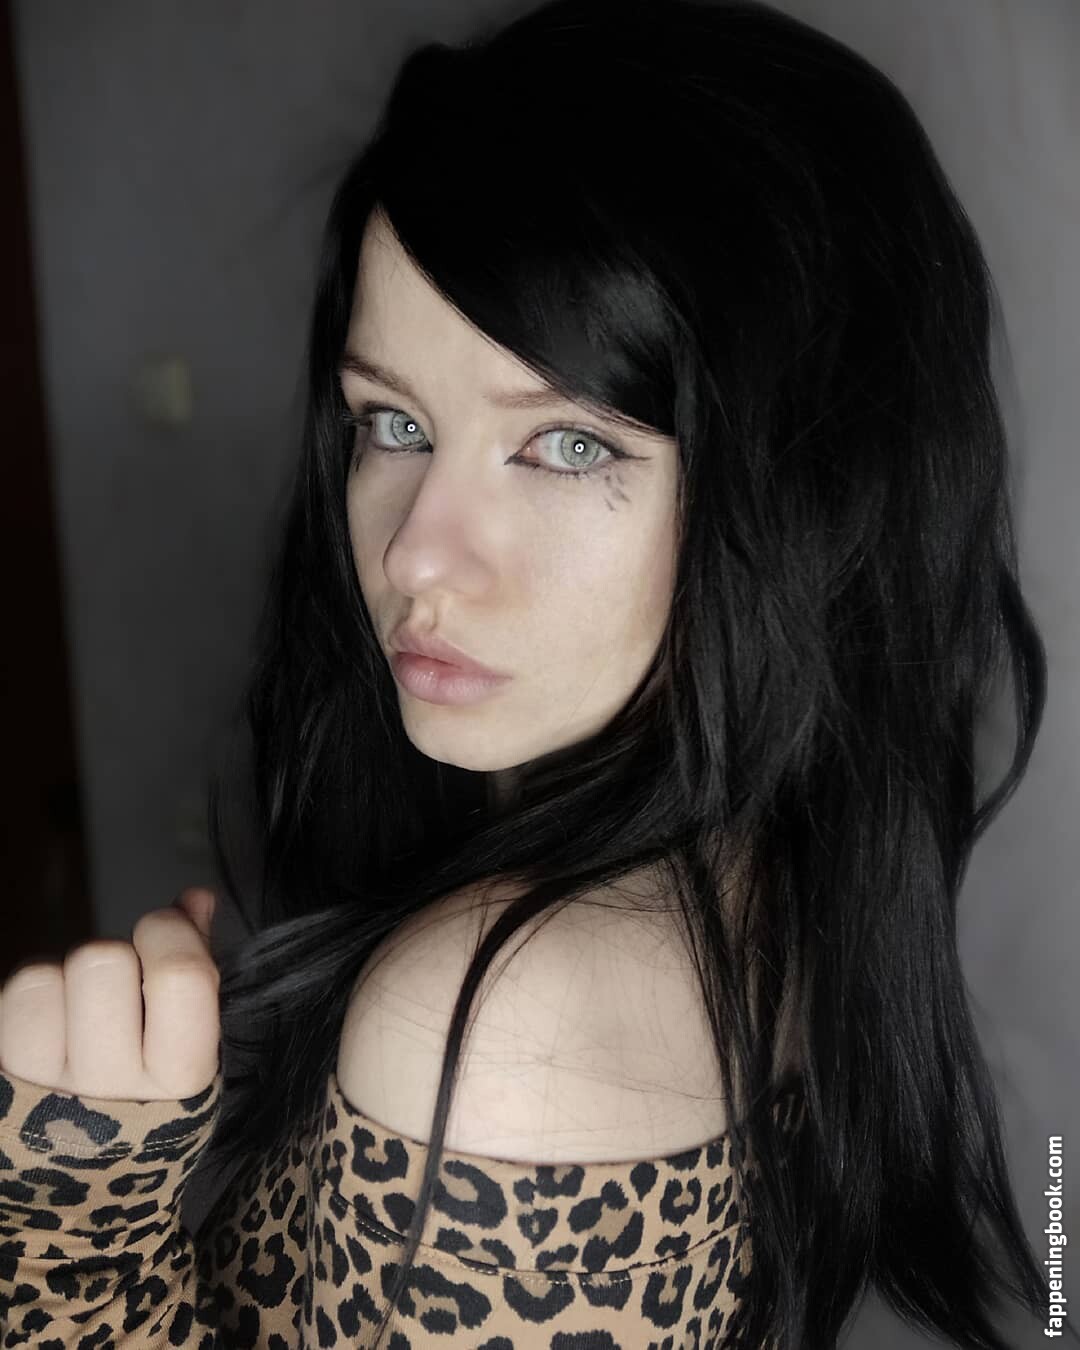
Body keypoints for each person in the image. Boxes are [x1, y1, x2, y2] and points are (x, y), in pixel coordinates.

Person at [0, 0, 1071, 1345]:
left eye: (568, 445)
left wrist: (75, 1232)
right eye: (394, 423)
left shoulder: (505, 1029)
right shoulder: (767, 866)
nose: (415, 554)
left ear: (807, 498)